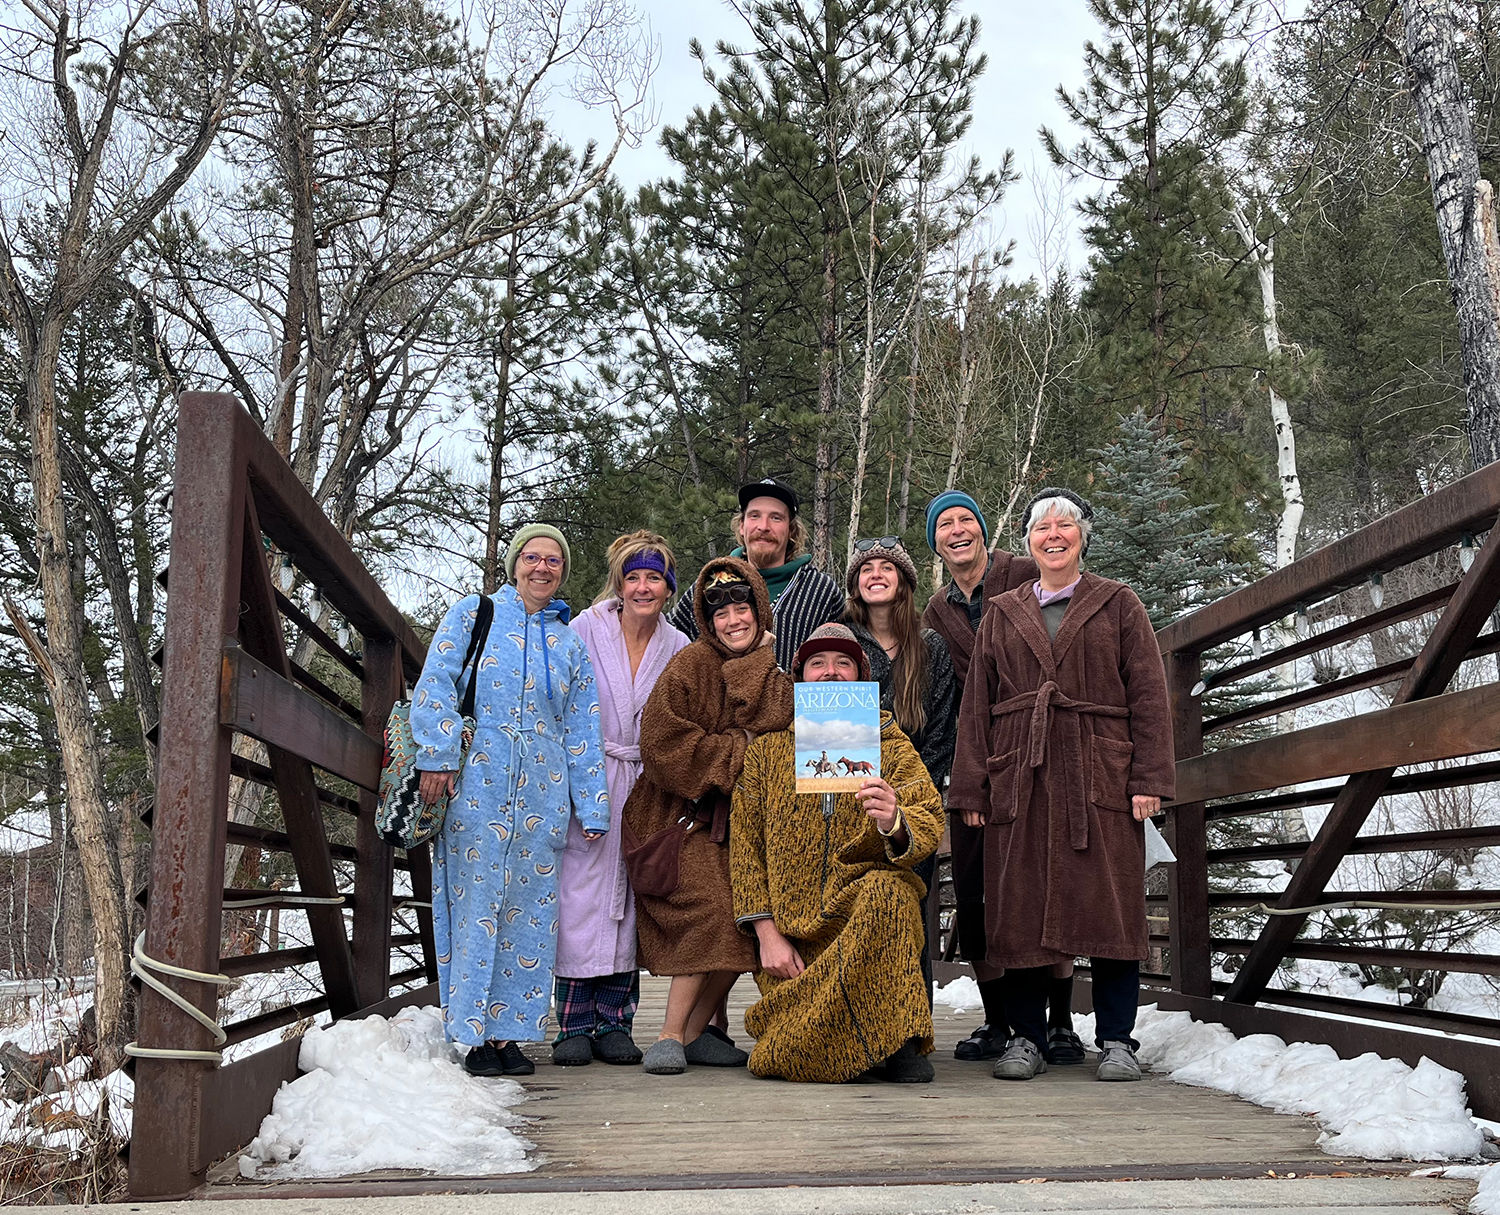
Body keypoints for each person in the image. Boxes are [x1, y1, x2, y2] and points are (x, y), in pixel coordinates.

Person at [948, 489, 1175, 1083]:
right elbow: (977, 707)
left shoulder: (1119, 603)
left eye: (1065, 525)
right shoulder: (1002, 611)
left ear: (1083, 536)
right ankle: (1026, 1037)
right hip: (1020, 773)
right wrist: (972, 789)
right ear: (1026, 542)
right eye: (1041, 527)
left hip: (1097, 770)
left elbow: (1149, 696)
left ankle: (1117, 1038)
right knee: (1019, 907)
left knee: (1110, 906)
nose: (1053, 534)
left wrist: (1148, 778)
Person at [412, 523, 610, 1078]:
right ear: (514, 563)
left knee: (530, 917)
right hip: (477, 783)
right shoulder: (475, 614)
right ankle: (472, 1032)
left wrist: (591, 804)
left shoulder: (569, 643)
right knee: (475, 905)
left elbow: (582, 727)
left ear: (563, 572)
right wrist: (437, 753)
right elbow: (435, 685)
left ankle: (511, 1032)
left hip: (542, 796)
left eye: (554, 560)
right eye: (532, 557)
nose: (542, 567)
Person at [730, 623, 945, 1083]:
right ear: (801, 677)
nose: (831, 672)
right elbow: (746, 850)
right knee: (781, 1057)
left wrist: (894, 820)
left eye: (843, 662)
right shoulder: (767, 753)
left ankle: (898, 1037)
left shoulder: (889, 743)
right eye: (818, 663)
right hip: (795, 934)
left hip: (863, 915)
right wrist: (767, 934)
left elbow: (929, 816)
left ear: (861, 676)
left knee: (890, 894)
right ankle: (861, 1042)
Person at [920, 491, 1085, 1066]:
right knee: (975, 891)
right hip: (973, 757)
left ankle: (1059, 1022)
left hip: (1039, 749)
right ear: (934, 542)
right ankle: (998, 1021)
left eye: (967, 519)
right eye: (944, 525)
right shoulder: (937, 610)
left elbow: (1074, 624)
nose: (957, 530)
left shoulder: (1024, 571)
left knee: (1047, 883)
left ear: (985, 530)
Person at [623, 557, 794, 1075]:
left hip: (739, 820)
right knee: (716, 907)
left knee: (750, 917)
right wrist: (736, 752)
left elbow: (778, 720)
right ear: (706, 619)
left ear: (760, 611)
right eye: (722, 615)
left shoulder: (771, 667)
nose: (734, 621)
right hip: (678, 815)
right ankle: (669, 1034)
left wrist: (751, 668)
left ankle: (696, 1033)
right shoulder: (691, 664)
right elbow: (660, 742)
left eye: (743, 609)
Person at [553, 531, 691, 1067]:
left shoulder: (678, 646)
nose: (642, 586)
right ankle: (571, 1024)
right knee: (578, 894)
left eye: (653, 577)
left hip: (645, 784)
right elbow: (558, 700)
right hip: (587, 773)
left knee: (629, 895)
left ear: (668, 586)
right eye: (632, 576)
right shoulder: (584, 629)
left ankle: (616, 1021)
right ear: (618, 582)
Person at [841, 537, 955, 998]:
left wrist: (912, 796)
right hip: (846, 794)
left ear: (904, 581)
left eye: (887, 567)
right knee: (851, 908)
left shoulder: (931, 648)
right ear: (855, 584)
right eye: (866, 568)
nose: (876, 574)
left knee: (911, 904)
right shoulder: (839, 639)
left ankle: (911, 1020)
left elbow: (943, 732)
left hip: (911, 800)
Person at [669, 479, 843, 672]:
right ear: (742, 526)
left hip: (790, 701)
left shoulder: (821, 591)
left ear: (791, 530)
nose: (763, 526)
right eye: (754, 516)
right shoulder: (712, 582)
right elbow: (665, 639)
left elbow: (846, 659)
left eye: (776, 518)